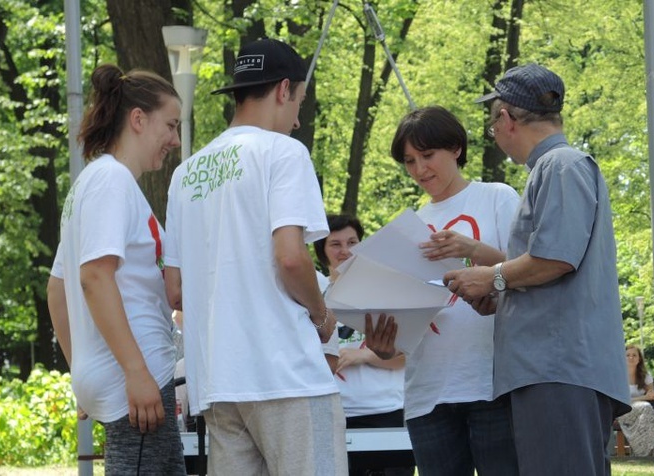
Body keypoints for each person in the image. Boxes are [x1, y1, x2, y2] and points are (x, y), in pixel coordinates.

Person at [163, 38, 347, 476]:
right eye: (299, 101)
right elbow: (291, 258)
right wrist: (322, 316)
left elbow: (175, 290)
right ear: (284, 90)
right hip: (287, 375)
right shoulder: (284, 152)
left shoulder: (185, 173)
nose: (298, 119)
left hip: (219, 384)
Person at [440, 64, 631, 475]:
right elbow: (549, 267)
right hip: (554, 370)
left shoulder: (560, 166)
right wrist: (499, 293)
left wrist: (489, 276)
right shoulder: (559, 168)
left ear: (505, 118)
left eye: (492, 125)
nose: (495, 134)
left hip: (556, 370)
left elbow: (555, 259)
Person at [46, 64, 186, 475]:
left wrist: (84, 370)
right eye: (171, 125)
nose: (175, 140)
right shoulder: (111, 182)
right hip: (139, 380)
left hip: (123, 377)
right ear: (138, 119)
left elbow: (57, 289)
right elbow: (92, 277)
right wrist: (135, 372)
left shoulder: (92, 183)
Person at [368, 105, 520, 476]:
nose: (420, 169)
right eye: (409, 161)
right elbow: (406, 317)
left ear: (455, 148)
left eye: (427, 155)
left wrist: (473, 250)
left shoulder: (497, 197)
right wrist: (386, 347)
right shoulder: (410, 227)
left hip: (491, 384)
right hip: (428, 393)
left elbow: (530, 269)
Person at [314, 214, 413, 476]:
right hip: (335, 416)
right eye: (335, 244)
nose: (345, 250)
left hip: (387, 412)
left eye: (353, 242)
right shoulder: (313, 299)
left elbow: (408, 356)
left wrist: (365, 357)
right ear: (322, 251)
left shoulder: (383, 292)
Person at [617, 345, 654, 456]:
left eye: (634, 355)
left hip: (643, 412)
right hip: (623, 411)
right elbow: (620, 400)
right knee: (646, 407)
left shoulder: (645, 376)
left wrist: (651, 395)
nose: (631, 358)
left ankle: (647, 451)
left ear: (639, 359)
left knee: (646, 412)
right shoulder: (618, 375)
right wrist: (643, 398)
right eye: (628, 355)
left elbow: (650, 395)